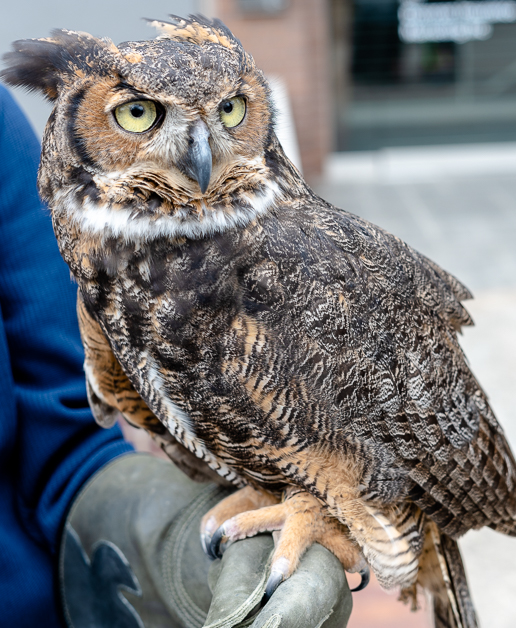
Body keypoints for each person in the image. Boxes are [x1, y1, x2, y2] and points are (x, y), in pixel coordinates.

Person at [0, 84, 351, 628]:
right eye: (139, 115)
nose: (200, 149)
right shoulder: (105, 263)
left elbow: (61, 448)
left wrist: (172, 540)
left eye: (230, 111)